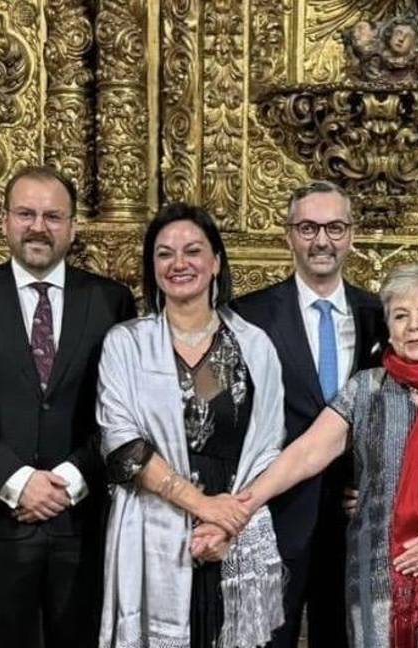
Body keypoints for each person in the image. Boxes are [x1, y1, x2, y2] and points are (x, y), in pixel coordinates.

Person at [234, 263, 418, 648]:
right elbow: (305, 454)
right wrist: (241, 505)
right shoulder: (365, 389)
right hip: (383, 573)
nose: (414, 326)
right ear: (388, 328)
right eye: (400, 316)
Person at [0, 166, 137, 648]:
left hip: (82, 524)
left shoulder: (111, 301)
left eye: (53, 216)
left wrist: (71, 479)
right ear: (5, 221)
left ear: (73, 227)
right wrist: (18, 480)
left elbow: (124, 410)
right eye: (26, 213)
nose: (38, 226)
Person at [98, 203, 285, 648]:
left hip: (233, 526)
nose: (179, 263)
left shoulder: (251, 345)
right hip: (154, 522)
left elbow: (269, 447)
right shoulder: (127, 343)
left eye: (193, 251)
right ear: (152, 267)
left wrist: (225, 524)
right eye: (164, 254)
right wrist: (204, 508)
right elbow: (122, 445)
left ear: (217, 261)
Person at [232, 180, 386, 648]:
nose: (322, 240)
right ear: (288, 235)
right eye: (308, 227)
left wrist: (379, 486)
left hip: (356, 520)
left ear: (352, 235)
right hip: (275, 514)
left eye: (335, 227)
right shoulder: (248, 316)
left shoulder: (381, 315)